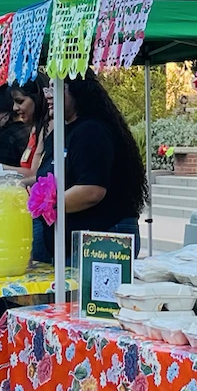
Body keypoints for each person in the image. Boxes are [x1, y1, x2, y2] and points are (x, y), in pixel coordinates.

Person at [28, 72, 148, 261]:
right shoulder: (60, 133)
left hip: (103, 240)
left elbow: (92, 191)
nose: (48, 95)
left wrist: (46, 206)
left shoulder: (92, 131)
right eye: (48, 88)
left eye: (56, 87)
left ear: (78, 91)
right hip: (70, 245)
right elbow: (47, 177)